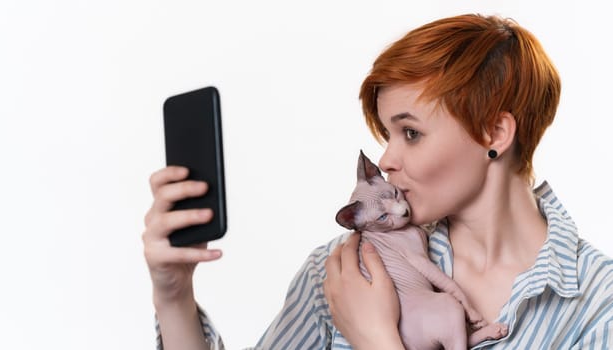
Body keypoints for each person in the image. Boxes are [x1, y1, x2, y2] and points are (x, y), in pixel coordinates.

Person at [142, 14, 613, 349]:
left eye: (411, 132)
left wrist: (377, 340)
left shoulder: (597, 306)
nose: (387, 158)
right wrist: (174, 294)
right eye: (387, 134)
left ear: (494, 132)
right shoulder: (344, 269)